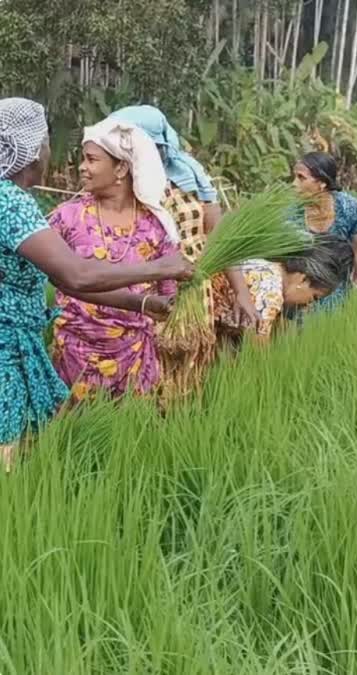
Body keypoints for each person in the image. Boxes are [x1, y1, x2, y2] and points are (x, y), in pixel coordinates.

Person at [0, 98, 191, 469]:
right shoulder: (13, 202)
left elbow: (63, 280)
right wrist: (160, 268)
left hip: (26, 348)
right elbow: (76, 273)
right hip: (8, 352)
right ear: (34, 148)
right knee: (10, 461)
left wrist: (143, 305)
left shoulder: (11, 200)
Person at [106, 105, 256, 401]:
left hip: (193, 288)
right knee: (140, 374)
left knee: (187, 369)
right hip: (138, 291)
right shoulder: (117, 178)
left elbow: (218, 235)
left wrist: (242, 291)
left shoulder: (190, 174)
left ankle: (181, 430)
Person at [49, 119, 186, 403]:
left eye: (91, 160)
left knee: (128, 439)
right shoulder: (67, 217)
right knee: (71, 439)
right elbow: (46, 274)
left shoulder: (156, 226)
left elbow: (169, 291)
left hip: (133, 355)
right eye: (82, 159)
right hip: (74, 353)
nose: (82, 167)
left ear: (121, 168)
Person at [213, 234, 354, 344]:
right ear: (302, 279)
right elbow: (256, 352)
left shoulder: (270, 267)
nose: (310, 305)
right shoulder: (271, 293)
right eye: (314, 297)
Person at [291, 152, 357, 311]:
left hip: (337, 295)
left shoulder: (348, 207)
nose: (294, 183)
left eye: (301, 178)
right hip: (302, 297)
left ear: (322, 183)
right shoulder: (291, 214)